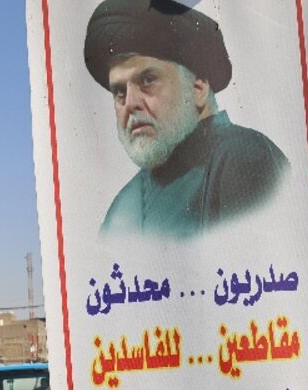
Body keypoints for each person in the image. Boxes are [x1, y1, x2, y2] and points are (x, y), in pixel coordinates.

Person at [85, 0, 289, 240]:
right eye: (119, 91)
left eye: (148, 80)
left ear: (198, 88)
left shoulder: (242, 156)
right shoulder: (122, 207)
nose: (130, 103)